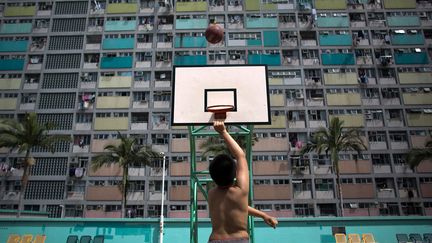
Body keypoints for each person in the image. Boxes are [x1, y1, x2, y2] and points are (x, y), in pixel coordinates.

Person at [208, 120, 277, 243]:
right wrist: (223, 131)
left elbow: (238, 207)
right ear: (235, 174)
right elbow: (240, 155)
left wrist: (263, 215)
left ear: (213, 176)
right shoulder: (240, 192)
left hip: (216, 239)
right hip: (239, 239)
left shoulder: (212, 194)